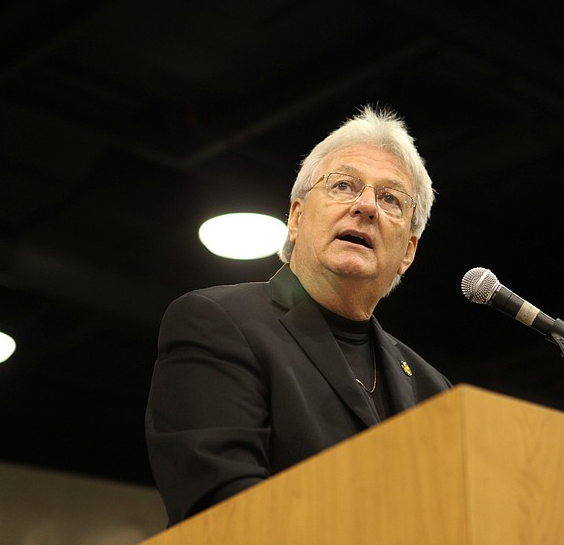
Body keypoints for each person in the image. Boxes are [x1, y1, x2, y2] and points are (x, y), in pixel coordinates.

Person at [145, 105, 451, 526]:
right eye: (343, 185)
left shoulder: (435, 391)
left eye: (390, 199)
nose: (366, 206)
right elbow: (222, 509)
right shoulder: (217, 322)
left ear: (409, 253)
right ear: (296, 216)